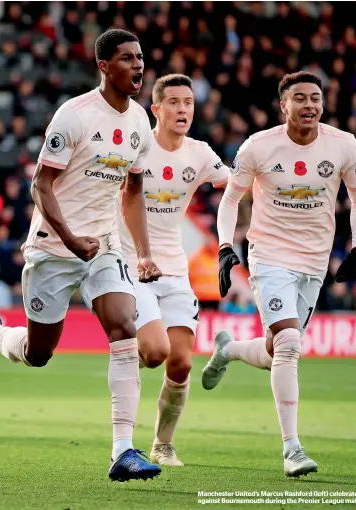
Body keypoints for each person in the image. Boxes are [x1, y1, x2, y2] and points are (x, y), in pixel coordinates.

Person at [0, 29, 163, 482]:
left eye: (141, 58)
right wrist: (71, 239)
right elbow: (40, 185)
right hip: (55, 247)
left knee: (124, 328)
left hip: (104, 245)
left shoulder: (138, 125)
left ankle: (123, 450)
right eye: (128, 58)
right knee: (38, 354)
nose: (138, 66)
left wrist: (144, 253)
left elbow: (132, 191)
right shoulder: (74, 116)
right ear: (104, 65)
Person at [202, 71, 356, 477]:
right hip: (269, 254)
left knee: (279, 349)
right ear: (284, 106)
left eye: (316, 97)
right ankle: (292, 449)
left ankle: (227, 350)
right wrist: (226, 246)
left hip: (314, 261)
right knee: (291, 343)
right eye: (300, 98)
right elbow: (230, 201)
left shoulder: (344, 145)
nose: (310, 105)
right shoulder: (259, 146)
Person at [118, 74, 229, 466]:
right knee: (154, 353)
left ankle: (162, 444)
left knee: (180, 362)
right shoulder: (137, 147)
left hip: (175, 270)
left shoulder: (199, 153)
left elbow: (233, 184)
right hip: (133, 266)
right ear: (156, 109)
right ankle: (125, 342)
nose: (183, 110)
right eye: (175, 103)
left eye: (188, 103)